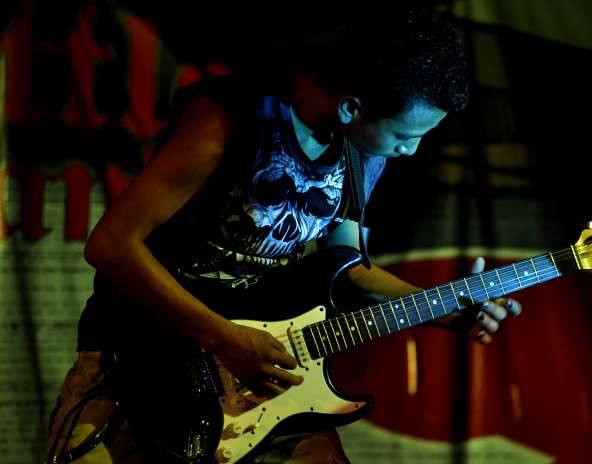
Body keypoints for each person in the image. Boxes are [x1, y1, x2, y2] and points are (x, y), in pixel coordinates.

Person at [45, 7, 522, 464]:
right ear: (352, 107)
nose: (412, 150)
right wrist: (222, 337)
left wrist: (441, 306)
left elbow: (348, 269)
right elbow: (111, 244)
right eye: (403, 135)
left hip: (253, 377)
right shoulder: (227, 122)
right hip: (139, 360)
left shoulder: (361, 149)